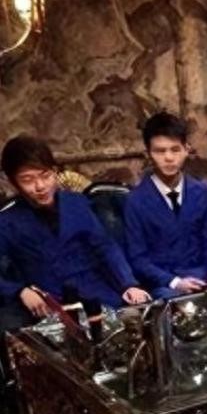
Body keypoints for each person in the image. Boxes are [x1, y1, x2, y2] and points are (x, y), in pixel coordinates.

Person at [0, 135, 150, 316]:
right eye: (27, 180)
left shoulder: (77, 203)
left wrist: (128, 284)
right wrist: (20, 291)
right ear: (13, 182)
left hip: (102, 297)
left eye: (45, 176)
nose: (40, 186)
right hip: (53, 308)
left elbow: (105, 247)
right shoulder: (7, 221)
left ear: (55, 171)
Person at [123, 112, 207, 298]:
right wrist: (175, 282)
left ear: (187, 149)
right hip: (166, 284)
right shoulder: (135, 200)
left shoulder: (202, 191)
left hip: (204, 278)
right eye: (160, 151)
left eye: (175, 150)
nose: (169, 158)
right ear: (148, 154)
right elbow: (138, 260)